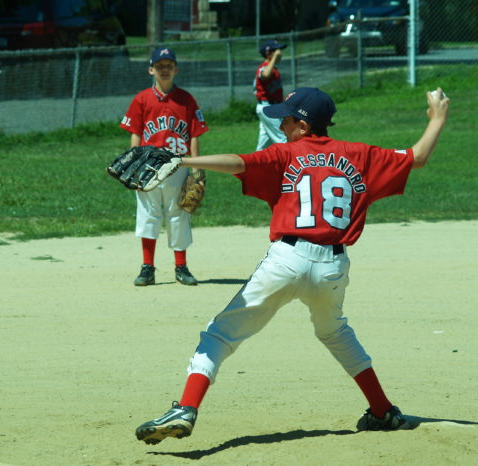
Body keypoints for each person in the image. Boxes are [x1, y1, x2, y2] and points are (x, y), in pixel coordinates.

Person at [135, 87, 450, 444]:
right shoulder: (360, 154)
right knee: (335, 332)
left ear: (303, 125)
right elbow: (417, 157)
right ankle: (383, 410)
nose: (281, 126)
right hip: (333, 267)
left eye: (286, 120)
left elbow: (238, 162)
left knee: (219, 334)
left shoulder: (285, 153)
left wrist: (182, 161)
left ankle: (186, 408)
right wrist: (438, 117)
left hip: (287, 261)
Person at [120, 47, 209, 287]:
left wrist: (197, 168)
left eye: (169, 66)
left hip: (177, 165)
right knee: (148, 216)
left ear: (176, 69)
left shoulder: (186, 99)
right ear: (151, 70)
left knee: (178, 215)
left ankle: (181, 267)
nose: (165, 70)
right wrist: (134, 164)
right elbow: (136, 133)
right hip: (148, 167)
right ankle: (147, 268)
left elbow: (194, 134)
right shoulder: (142, 99)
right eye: (160, 66)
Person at [254, 39, 287, 151]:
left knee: (264, 145)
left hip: (273, 106)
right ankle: (293, 161)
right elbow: (265, 75)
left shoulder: (274, 69)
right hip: (268, 108)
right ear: (268, 53)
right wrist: (273, 59)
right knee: (283, 140)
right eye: (277, 51)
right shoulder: (263, 67)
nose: (280, 54)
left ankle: (255, 162)